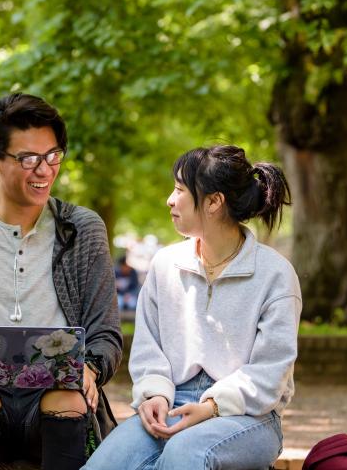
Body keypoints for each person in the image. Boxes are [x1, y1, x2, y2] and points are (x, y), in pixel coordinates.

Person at [0, 93, 122, 470]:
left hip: (59, 399)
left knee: (66, 399)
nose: (44, 170)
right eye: (28, 159)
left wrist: (91, 370)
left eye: (53, 156)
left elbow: (106, 335)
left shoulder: (82, 229)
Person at [83, 145, 302, 470]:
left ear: (214, 201)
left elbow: (271, 372)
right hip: (171, 401)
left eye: (180, 190)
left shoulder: (275, 275)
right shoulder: (164, 264)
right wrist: (154, 394)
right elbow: (148, 347)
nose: (170, 200)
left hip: (250, 415)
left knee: (185, 456)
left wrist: (212, 406)